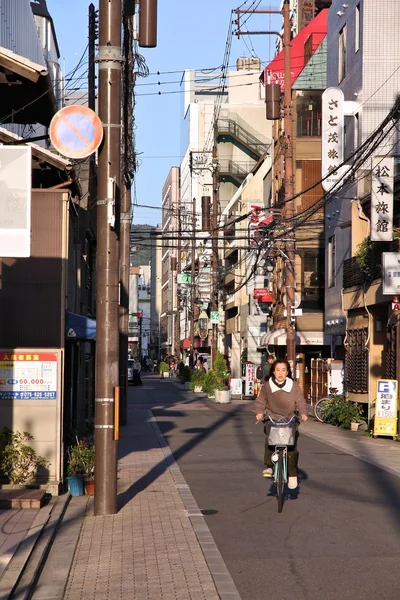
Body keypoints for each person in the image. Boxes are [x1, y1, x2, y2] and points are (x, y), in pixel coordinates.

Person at [255, 359, 308, 490]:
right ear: (273, 371)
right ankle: (269, 466)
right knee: (270, 440)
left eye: (283, 370)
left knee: (291, 446)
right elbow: (261, 401)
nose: (280, 373)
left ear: (288, 372)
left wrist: (303, 413)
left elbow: (300, 401)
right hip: (272, 418)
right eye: (277, 370)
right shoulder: (267, 386)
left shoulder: (293, 385)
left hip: (289, 419)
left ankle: (292, 475)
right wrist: (260, 412)